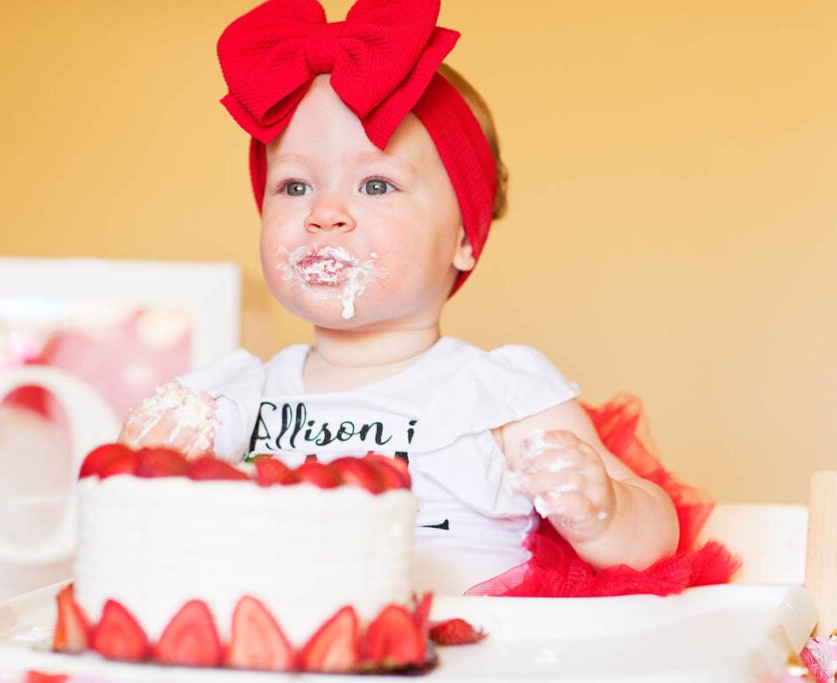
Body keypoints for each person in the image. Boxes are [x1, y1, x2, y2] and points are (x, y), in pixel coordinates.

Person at [119, 0, 721, 596]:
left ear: (463, 238)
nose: (325, 213)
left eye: (376, 184)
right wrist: (151, 465)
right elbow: (149, 539)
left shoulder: (499, 396)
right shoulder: (235, 398)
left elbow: (657, 534)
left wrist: (603, 510)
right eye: (294, 185)